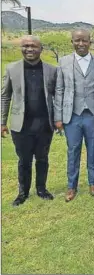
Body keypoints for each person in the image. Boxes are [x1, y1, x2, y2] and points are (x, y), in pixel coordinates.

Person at [1, 35, 57, 206]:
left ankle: (41, 189)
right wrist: (2, 122)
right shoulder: (11, 69)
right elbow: (5, 96)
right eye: (25, 46)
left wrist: (59, 119)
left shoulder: (52, 70)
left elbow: (58, 95)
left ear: (41, 49)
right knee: (24, 160)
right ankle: (23, 192)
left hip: (44, 124)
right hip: (21, 125)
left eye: (33, 46)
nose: (29, 49)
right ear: (21, 48)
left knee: (42, 159)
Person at [54, 29, 94, 202]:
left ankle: (93, 182)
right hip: (72, 115)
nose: (81, 44)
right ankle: (71, 186)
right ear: (72, 42)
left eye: (84, 40)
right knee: (73, 150)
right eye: (77, 40)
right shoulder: (64, 62)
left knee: (93, 149)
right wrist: (58, 117)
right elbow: (59, 90)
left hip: (92, 114)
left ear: (90, 42)